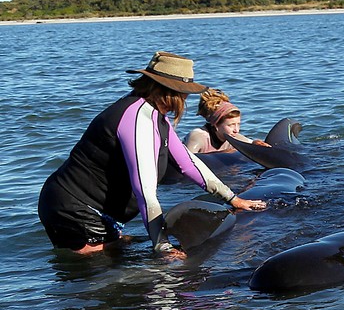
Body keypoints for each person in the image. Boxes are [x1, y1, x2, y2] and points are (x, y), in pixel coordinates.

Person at [37, 51, 267, 257]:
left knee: (119, 255)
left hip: (94, 210)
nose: (185, 101)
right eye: (184, 94)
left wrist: (233, 198)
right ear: (170, 92)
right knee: (102, 278)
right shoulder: (137, 119)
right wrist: (162, 246)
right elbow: (144, 191)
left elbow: (188, 163)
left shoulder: (156, 116)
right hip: (73, 208)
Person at [184, 89, 256, 154]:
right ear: (216, 125)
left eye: (238, 124)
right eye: (231, 125)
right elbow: (186, 161)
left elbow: (252, 144)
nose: (236, 130)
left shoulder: (234, 136)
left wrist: (257, 143)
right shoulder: (198, 137)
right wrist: (225, 153)